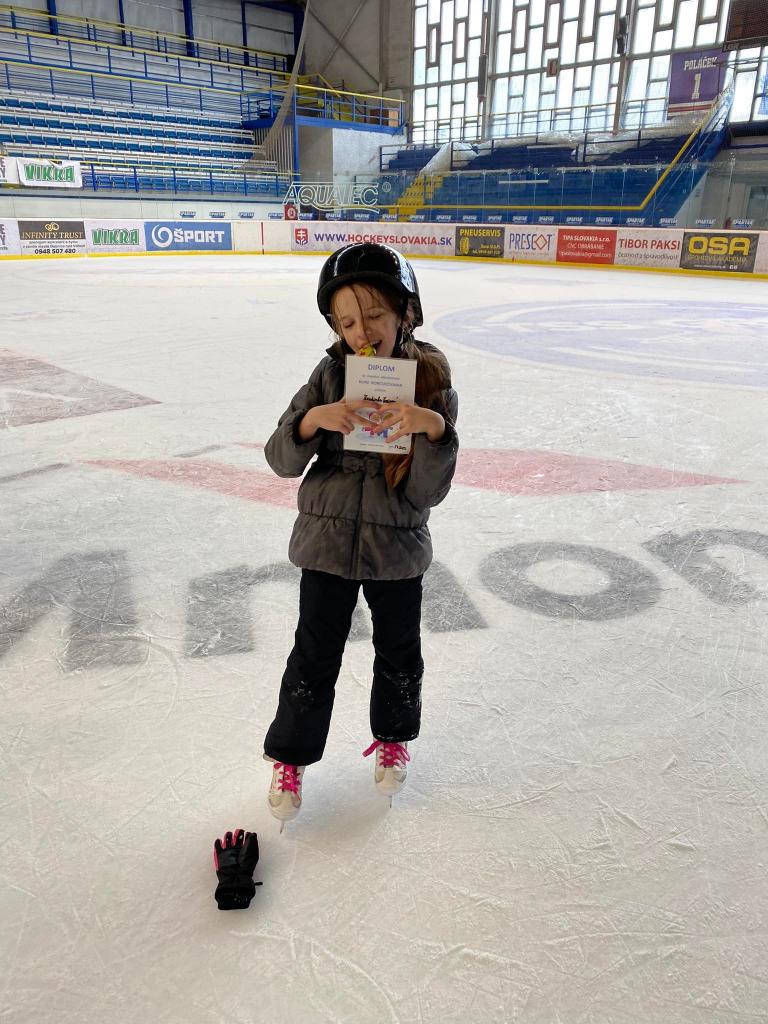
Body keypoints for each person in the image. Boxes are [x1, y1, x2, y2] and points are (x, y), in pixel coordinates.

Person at [262, 242, 459, 824]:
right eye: (347, 322)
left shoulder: (432, 385)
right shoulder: (329, 376)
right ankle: (290, 758)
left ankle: (393, 739)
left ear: (405, 314)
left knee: (398, 653)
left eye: (374, 315)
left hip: (396, 549)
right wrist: (312, 420)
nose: (362, 332)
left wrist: (433, 431)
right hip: (325, 545)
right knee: (312, 656)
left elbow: (427, 493)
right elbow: (279, 459)